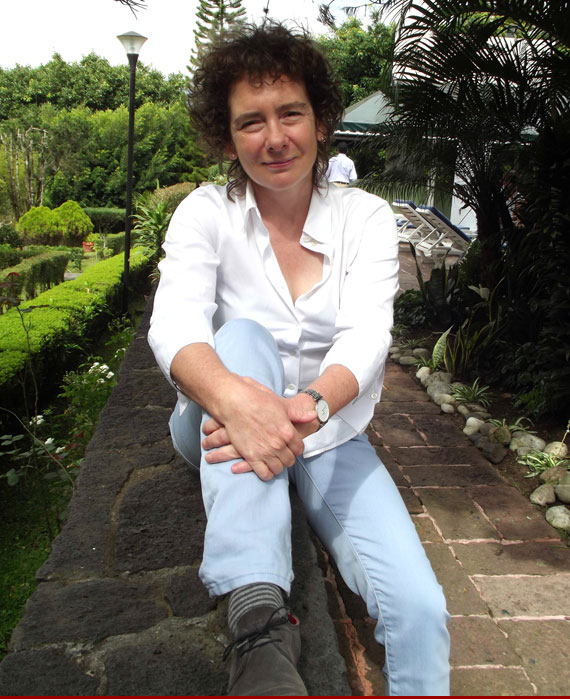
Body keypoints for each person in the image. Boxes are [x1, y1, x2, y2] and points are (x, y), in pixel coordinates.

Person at [148, 20, 450, 697]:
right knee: (242, 337)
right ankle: (258, 624)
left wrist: (307, 407)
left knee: (420, 608)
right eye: (250, 122)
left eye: (290, 113)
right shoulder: (206, 213)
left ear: (320, 120)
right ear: (228, 137)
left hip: (325, 431)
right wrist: (238, 402)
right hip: (213, 426)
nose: (275, 137)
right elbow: (174, 325)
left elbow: (367, 337)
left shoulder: (364, 218)